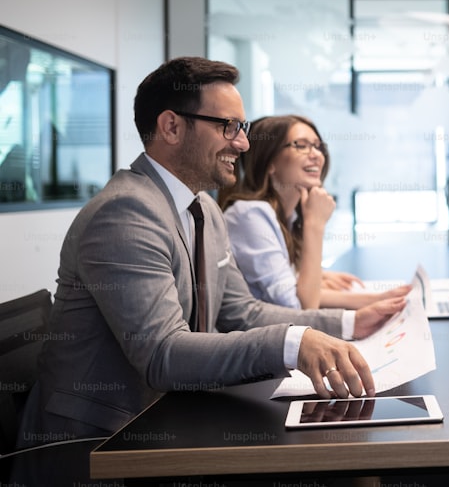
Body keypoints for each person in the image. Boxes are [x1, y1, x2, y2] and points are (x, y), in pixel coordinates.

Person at [14, 58, 406, 483]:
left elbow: (243, 312)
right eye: (228, 127)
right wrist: (293, 343)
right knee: (351, 470)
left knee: (355, 461)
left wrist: (349, 321)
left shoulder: (203, 208)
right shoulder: (125, 213)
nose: (242, 144)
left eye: (243, 127)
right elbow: (163, 353)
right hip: (102, 446)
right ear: (171, 127)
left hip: (173, 419)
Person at [219, 114, 409, 310]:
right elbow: (302, 307)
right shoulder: (250, 215)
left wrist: (376, 299)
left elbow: (303, 292)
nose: (316, 155)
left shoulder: (286, 217)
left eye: (318, 146)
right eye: (301, 145)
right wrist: (315, 224)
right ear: (270, 162)